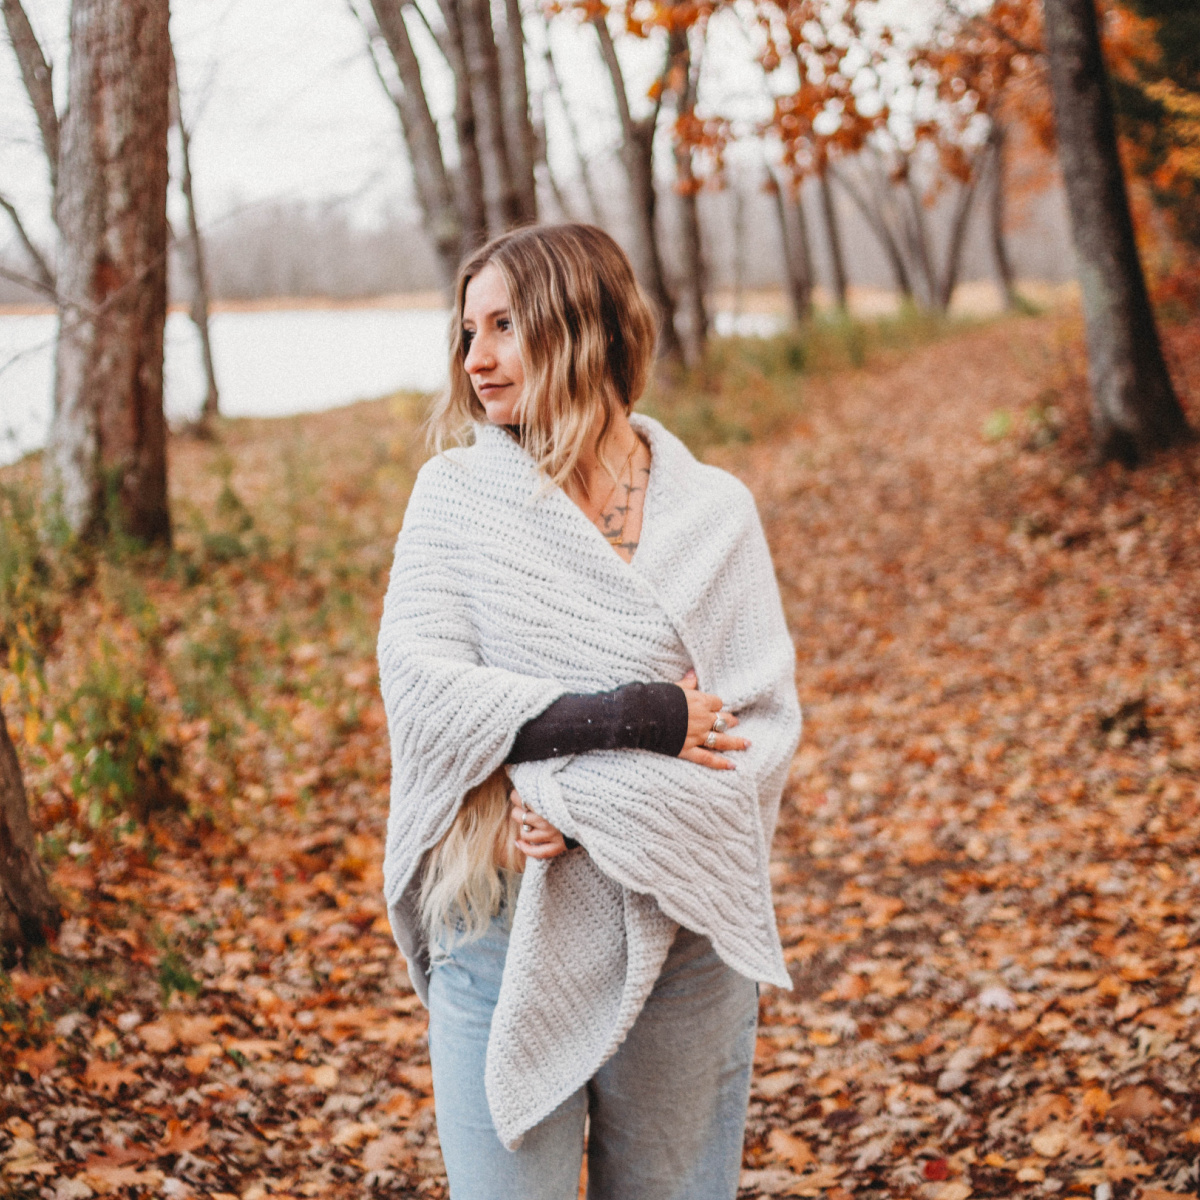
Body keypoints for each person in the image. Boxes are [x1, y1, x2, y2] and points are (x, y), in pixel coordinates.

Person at [377, 223, 801, 1200]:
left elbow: (759, 726)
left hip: (681, 919)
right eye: (467, 330)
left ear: (588, 330)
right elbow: (428, 693)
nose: (475, 359)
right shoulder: (457, 499)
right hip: (499, 914)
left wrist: (571, 792)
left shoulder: (713, 511)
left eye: (506, 327)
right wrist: (640, 716)